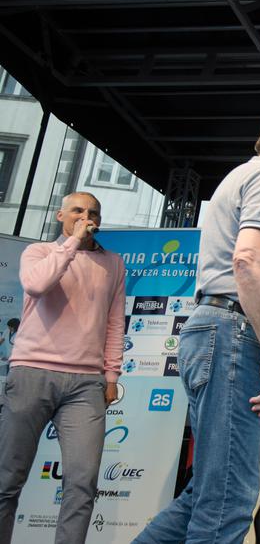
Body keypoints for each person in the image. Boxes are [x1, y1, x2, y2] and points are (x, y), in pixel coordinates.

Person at [135, 109, 260, 543]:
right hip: (234, 336)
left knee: (205, 495)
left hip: (217, 333)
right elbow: (250, 258)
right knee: (228, 500)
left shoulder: (240, 176)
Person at [0, 192, 125, 544]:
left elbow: (115, 322)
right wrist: (72, 244)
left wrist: (111, 375)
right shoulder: (39, 251)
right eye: (77, 211)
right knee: (7, 479)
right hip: (32, 372)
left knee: (82, 483)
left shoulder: (113, 263)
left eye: (93, 212)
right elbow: (37, 285)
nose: (86, 217)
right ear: (60, 216)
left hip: (86, 383)